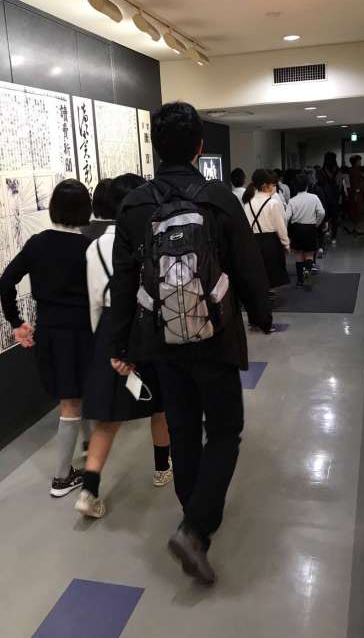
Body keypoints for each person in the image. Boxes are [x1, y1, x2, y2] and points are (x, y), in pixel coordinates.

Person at [110, 102, 272, 585]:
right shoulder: (218, 198)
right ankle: (196, 528)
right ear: (200, 146)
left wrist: (120, 345)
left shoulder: (134, 205)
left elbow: (122, 283)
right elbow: (247, 264)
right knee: (224, 430)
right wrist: (261, 314)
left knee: (181, 429)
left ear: (156, 147)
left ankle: (191, 517)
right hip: (216, 336)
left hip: (160, 340)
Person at [76, 173, 173, 519]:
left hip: (110, 327)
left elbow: (94, 300)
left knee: (108, 416)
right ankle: (162, 469)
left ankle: (89, 490)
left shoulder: (94, 247)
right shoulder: (149, 235)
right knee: (159, 405)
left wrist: (103, 339)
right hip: (146, 324)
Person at [0, 179, 93, 497]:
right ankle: (62, 477)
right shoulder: (88, 248)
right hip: (80, 332)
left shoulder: (37, 243)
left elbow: (6, 281)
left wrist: (16, 322)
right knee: (71, 400)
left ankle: (88, 444)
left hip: (49, 332)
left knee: (73, 395)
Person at [243, 169, 290, 289]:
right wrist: (286, 244)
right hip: (271, 243)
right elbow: (280, 227)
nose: (274, 187)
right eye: (272, 184)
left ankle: (262, 295)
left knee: (259, 274)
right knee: (272, 275)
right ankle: (270, 295)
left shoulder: (248, 203)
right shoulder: (272, 203)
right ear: (265, 186)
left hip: (253, 242)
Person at [286, 174, 325, 287]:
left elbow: (286, 217)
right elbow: (322, 212)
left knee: (298, 255)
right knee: (309, 255)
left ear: (295, 187)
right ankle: (307, 277)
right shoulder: (314, 197)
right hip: (310, 228)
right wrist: (317, 223)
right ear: (308, 185)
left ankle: (299, 280)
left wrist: (286, 231)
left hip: (297, 229)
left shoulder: (292, 201)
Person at [317, 152, 340, 245]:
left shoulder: (321, 171)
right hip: (334, 197)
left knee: (324, 218)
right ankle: (333, 237)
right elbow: (339, 184)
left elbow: (319, 184)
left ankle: (323, 238)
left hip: (324, 197)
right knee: (334, 218)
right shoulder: (337, 170)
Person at [346, 154, 364, 235]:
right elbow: (354, 184)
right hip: (356, 194)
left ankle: (355, 228)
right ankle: (356, 228)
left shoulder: (356, 170)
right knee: (356, 211)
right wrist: (356, 194)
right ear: (356, 162)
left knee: (357, 211)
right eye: (359, 161)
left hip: (358, 193)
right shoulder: (353, 171)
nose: (360, 162)